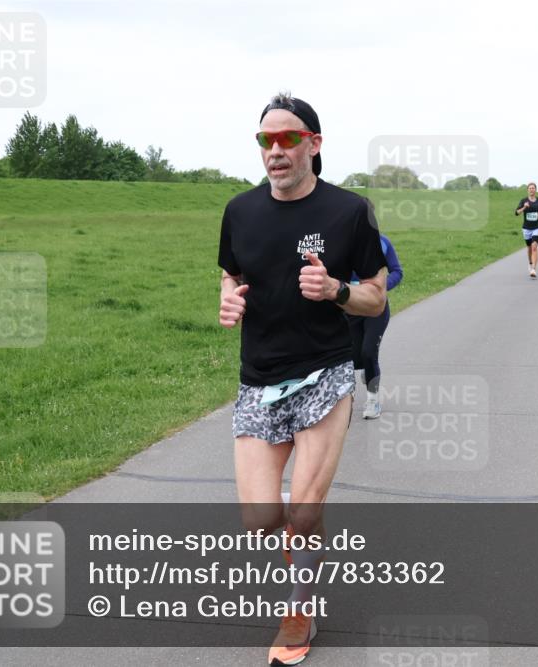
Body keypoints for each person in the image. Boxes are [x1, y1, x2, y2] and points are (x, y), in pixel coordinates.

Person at [218, 92, 389, 666]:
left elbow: (375, 294)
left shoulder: (349, 211)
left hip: (325, 373)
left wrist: (338, 290)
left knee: (306, 509)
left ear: (314, 145)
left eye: (288, 138)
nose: (275, 150)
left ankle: (299, 610)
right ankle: (299, 541)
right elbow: (230, 273)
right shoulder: (239, 211)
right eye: (265, 140)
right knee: (262, 521)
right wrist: (228, 300)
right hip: (258, 380)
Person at [349, 229, 403, 419]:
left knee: (369, 352)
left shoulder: (383, 243)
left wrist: (378, 287)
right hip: (350, 308)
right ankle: (364, 369)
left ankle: (373, 400)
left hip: (376, 308)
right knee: (351, 359)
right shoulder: (341, 242)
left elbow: (397, 272)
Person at [515, 183, 538, 277]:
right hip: (526, 228)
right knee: (529, 248)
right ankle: (530, 263)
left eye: (533, 188)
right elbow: (516, 213)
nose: (531, 190)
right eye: (530, 188)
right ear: (527, 190)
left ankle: (533, 269)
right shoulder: (524, 200)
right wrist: (524, 207)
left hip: (536, 227)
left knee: (534, 247)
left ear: (535, 190)